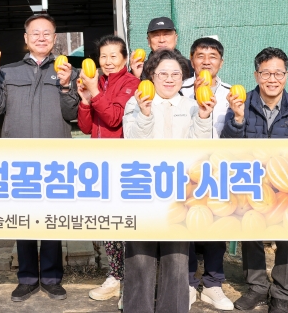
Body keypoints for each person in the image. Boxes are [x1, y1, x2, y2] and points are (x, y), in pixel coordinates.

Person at [0, 14, 79, 302]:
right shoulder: (7, 72)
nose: (41, 37)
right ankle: (26, 278)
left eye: (46, 33)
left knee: (51, 218)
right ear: (25, 39)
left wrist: (65, 85)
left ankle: (51, 278)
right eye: (35, 33)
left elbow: (72, 113)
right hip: (19, 159)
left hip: (55, 159)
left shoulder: (68, 71)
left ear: (55, 38)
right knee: (23, 219)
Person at [222, 47, 288, 313]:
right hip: (252, 181)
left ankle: (282, 294)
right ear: (256, 75)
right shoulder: (241, 104)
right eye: (266, 73)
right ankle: (257, 287)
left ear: (286, 75)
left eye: (278, 73)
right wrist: (237, 118)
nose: (272, 79)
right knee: (250, 230)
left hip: (287, 183)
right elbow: (227, 145)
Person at [122, 49, 214, 313]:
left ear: (183, 77)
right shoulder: (136, 102)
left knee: (176, 259)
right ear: (151, 75)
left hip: (179, 192)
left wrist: (204, 118)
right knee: (140, 257)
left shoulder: (192, 105)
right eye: (163, 73)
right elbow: (133, 142)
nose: (170, 79)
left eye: (176, 74)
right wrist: (145, 113)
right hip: (143, 190)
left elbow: (200, 149)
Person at [76, 35, 139, 303]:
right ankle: (115, 276)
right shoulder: (97, 82)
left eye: (114, 56)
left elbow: (114, 119)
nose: (108, 61)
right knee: (108, 222)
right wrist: (85, 100)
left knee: (127, 222)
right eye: (103, 56)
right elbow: (86, 127)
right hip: (100, 164)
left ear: (124, 58)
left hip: (124, 165)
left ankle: (133, 280)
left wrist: (95, 92)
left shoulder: (132, 84)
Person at [180, 37, 234, 310]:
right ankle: (188, 283)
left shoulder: (232, 94)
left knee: (217, 227)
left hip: (218, 171)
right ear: (192, 60)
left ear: (221, 63)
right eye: (200, 56)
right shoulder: (179, 90)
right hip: (186, 169)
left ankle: (213, 284)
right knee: (185, 226)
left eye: (212, 56)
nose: (206, 61)